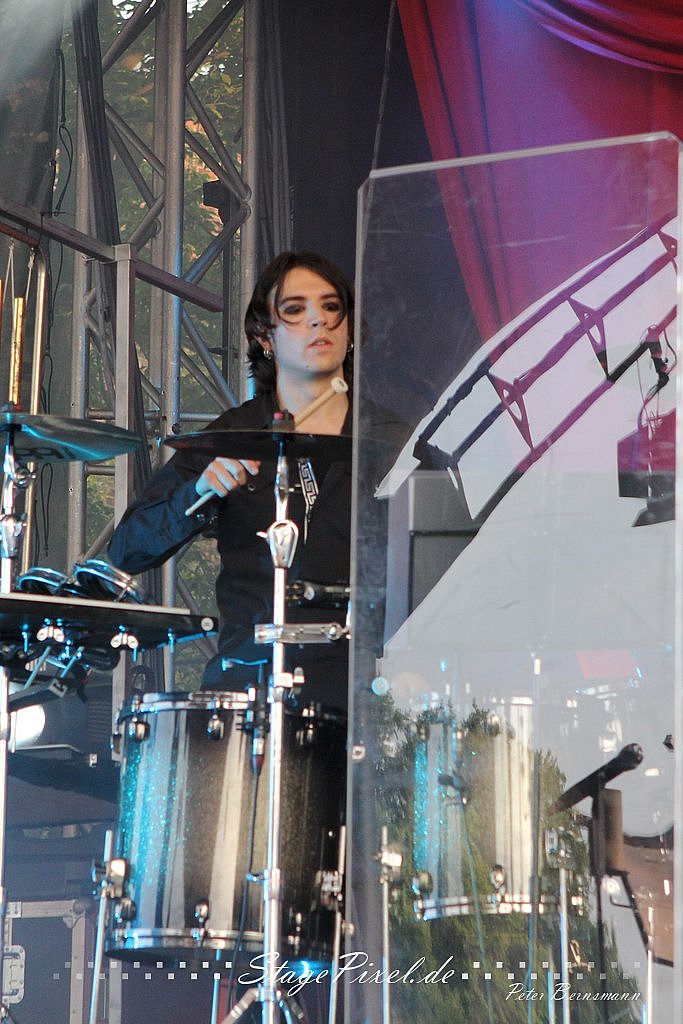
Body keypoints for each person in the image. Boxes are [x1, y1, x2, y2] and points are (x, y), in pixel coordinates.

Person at [108, 251, 354, 711]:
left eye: (331, 306)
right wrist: (200, 490)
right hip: (248, 687)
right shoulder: (233, 435)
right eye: (295, 309)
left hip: (364, 688)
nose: (318, 319)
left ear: (349, 329)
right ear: (264, 336)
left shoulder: (389, 441)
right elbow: (128, 549)